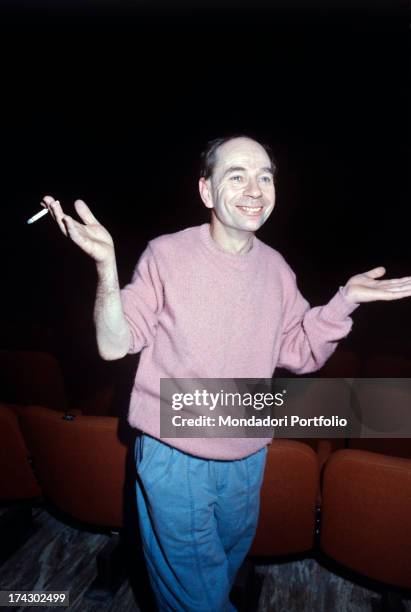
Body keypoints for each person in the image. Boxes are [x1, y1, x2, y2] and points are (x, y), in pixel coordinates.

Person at [42, 135, 411, 611]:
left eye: (265, 176)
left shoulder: (277, 268)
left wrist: (345, 301)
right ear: (206, 191)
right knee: (195, 599)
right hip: (175, 452)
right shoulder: (165, 255)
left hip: (246, 449)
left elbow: (300, 351)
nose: (254, 188)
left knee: (223, 568)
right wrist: (107, 268)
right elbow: (114, 345)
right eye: (236, 175)